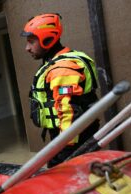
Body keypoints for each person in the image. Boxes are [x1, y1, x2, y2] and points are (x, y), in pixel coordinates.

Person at [21, 13, 100, 168]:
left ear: (47, 39)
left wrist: (63, 154)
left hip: (71, 140)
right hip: (79, 134)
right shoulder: (63, 58)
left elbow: (69, 113)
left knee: (64, 177)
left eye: (31, 42)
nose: (27, 48)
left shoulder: (62, 69)